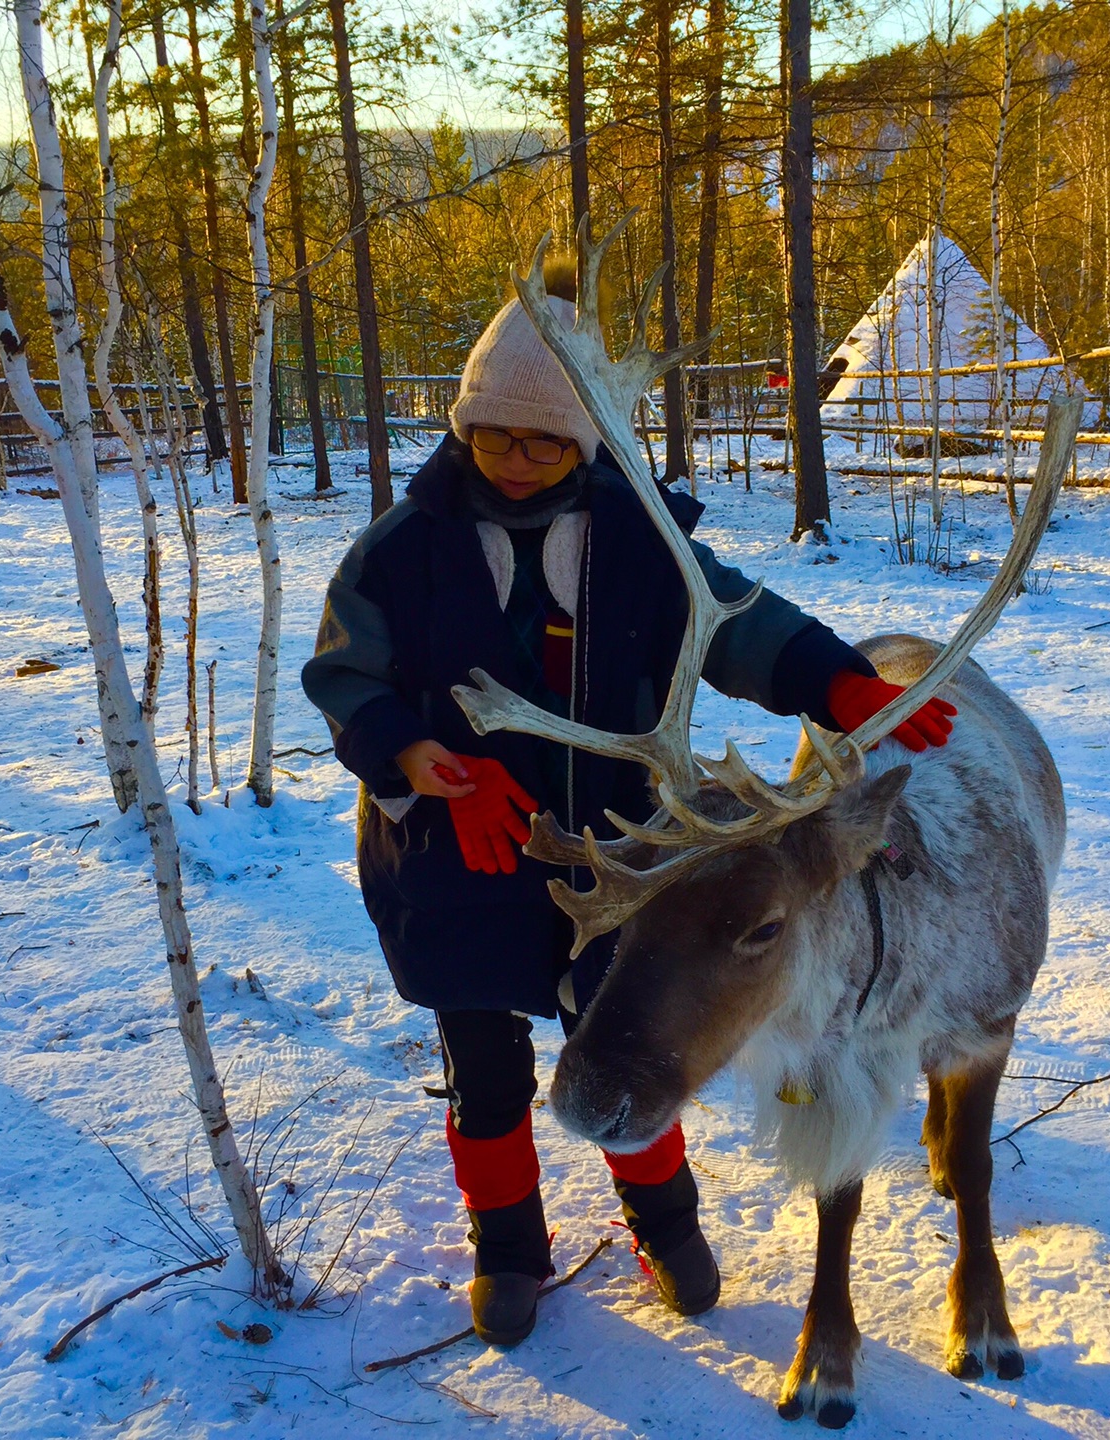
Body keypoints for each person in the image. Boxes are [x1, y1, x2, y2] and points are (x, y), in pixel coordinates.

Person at [301, 266, 956, 1347]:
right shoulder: (399, 551)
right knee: (486, 1068)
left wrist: (836, 682)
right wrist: (414, 756)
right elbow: (344, 681)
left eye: (546, 443)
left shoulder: (640, 546)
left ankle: (664, 1223)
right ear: (465, 424)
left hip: (621, 857)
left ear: (588, 443)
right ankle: (507, 1245)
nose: (517, 462)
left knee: (630, 1038)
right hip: (448, 852)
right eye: (497, 436)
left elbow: (739, 622)